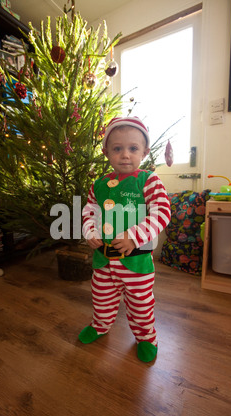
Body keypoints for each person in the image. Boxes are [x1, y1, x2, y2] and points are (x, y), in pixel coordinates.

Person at [79, 117, 171, 362]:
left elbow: (161, 211)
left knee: (141, 306)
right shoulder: (98, 184)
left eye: (133, 148)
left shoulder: (148, 180)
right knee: (101, 298)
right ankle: (100, 325)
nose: (125, 155)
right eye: (117, 149)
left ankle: (146, 337)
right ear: (106, 152)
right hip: (103, 261)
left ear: (145, 151)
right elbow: (89, 210)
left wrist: (133, 236)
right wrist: (90, 231)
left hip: (137, 264)